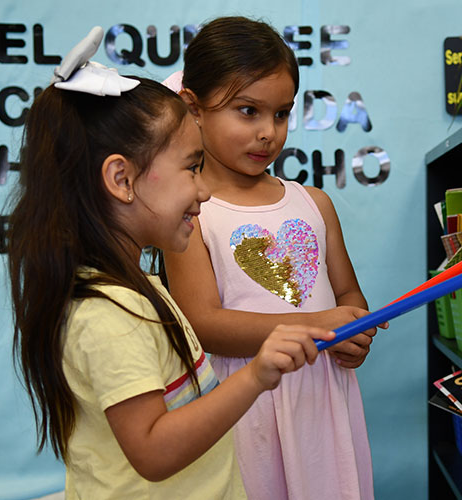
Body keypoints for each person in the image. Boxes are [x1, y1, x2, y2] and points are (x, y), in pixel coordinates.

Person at [7, 34, 335, 500]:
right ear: (122, 179)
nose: (202, 191)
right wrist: (256, 375)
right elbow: (154, 451)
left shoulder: (141, 288)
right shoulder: (108, 314)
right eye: (191, 167)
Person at [162, 16, 385, 500]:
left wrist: (354, 331)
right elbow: (203, 323)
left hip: (323, 399)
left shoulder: (314, 203)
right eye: (248, 111)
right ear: (193, 108)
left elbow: (347, 294)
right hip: (246, 405)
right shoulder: (190, 215)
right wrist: (319, 324)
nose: (269, 132)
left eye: (281, 114)